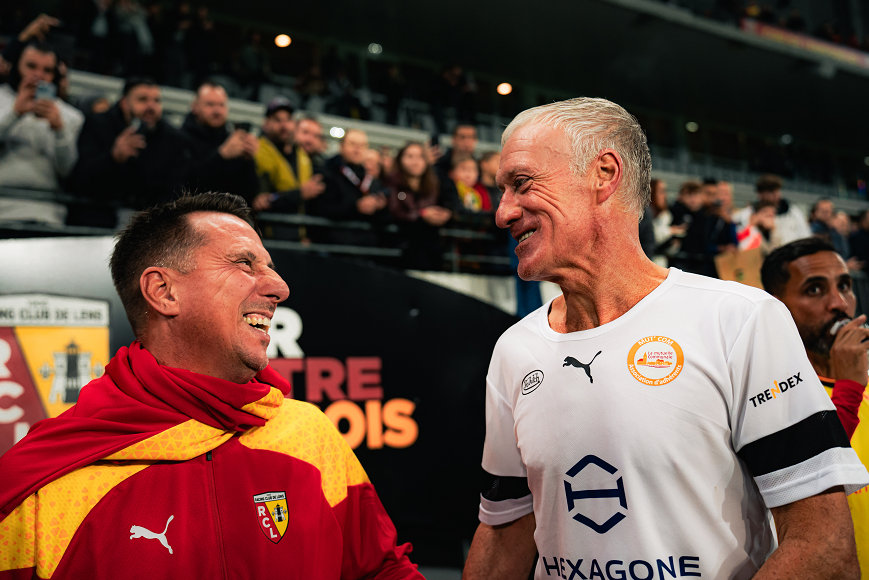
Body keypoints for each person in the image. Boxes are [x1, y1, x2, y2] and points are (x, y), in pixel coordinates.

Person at [463, 97, 868, 580]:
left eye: (521, 183)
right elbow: (503, 534)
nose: (502, 212)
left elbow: (824, 546)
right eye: (502, 190)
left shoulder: (740, 320)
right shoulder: (515, 350)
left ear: (604, 173)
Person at [0, 192, 423, 580]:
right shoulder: (41, 485)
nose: (279, 287)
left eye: (270, 267)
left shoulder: (310, 433)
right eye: (245, 263)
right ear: (163, 292)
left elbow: (380, 570)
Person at [761, 238, 869, 577]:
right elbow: (813, 475)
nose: (839, 303)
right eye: (815, 290)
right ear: (778, 307)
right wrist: (848, 388)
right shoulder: (768, 391)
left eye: (845, 286)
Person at [68, 77, 192, 227]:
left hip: (149, 223)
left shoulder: (173, 138)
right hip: (98, 218)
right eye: (143, 100)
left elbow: (175, 191)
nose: (151, 107)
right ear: (124, 103)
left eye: (156, 101)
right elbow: (80, 180)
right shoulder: (98, 125)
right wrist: (113, 158)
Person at [0, 40, 84, 224]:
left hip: (46, 213)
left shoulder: (71, 116)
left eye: (47, 70)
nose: (38, 75)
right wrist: (15, 114)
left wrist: (59, 130)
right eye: (31, 66)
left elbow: (67, 171)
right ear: (15, 67)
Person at [180, 81, 259, 201]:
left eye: (221, 105)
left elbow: (248, 194)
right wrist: (222, 155)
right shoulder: (179, 138)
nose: (217, 111)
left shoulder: (230, 140)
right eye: (210, 104)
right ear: (195, 107)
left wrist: (248, 160)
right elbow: (185, 185)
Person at [252, 97, 325, 215]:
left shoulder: (302, 155)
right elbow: (263, 201)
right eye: (277, 120)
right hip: (269, 228)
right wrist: (300, 194)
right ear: (266, 124)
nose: (284, 125)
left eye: (288, 119)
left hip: (298, 228)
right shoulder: (256, 152)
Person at [386, 141, 453, 269]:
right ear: (400, 159)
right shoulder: (391, 182)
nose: (415, 161)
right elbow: (394, 212)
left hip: (432, 245)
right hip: (403, 245)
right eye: (410, 156)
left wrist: (444, 214)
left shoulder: (434, 183)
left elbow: (447, 205)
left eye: (420, 157)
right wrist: (422, 214)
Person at [733, 174, 811, 246]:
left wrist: (774, 230)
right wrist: (752, 225)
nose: (775, 194)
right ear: (760, 194)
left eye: (777, 190)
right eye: (771, 191)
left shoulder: (793, 213)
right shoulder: (747, 214)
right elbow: (739, 240)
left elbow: (805, 237)